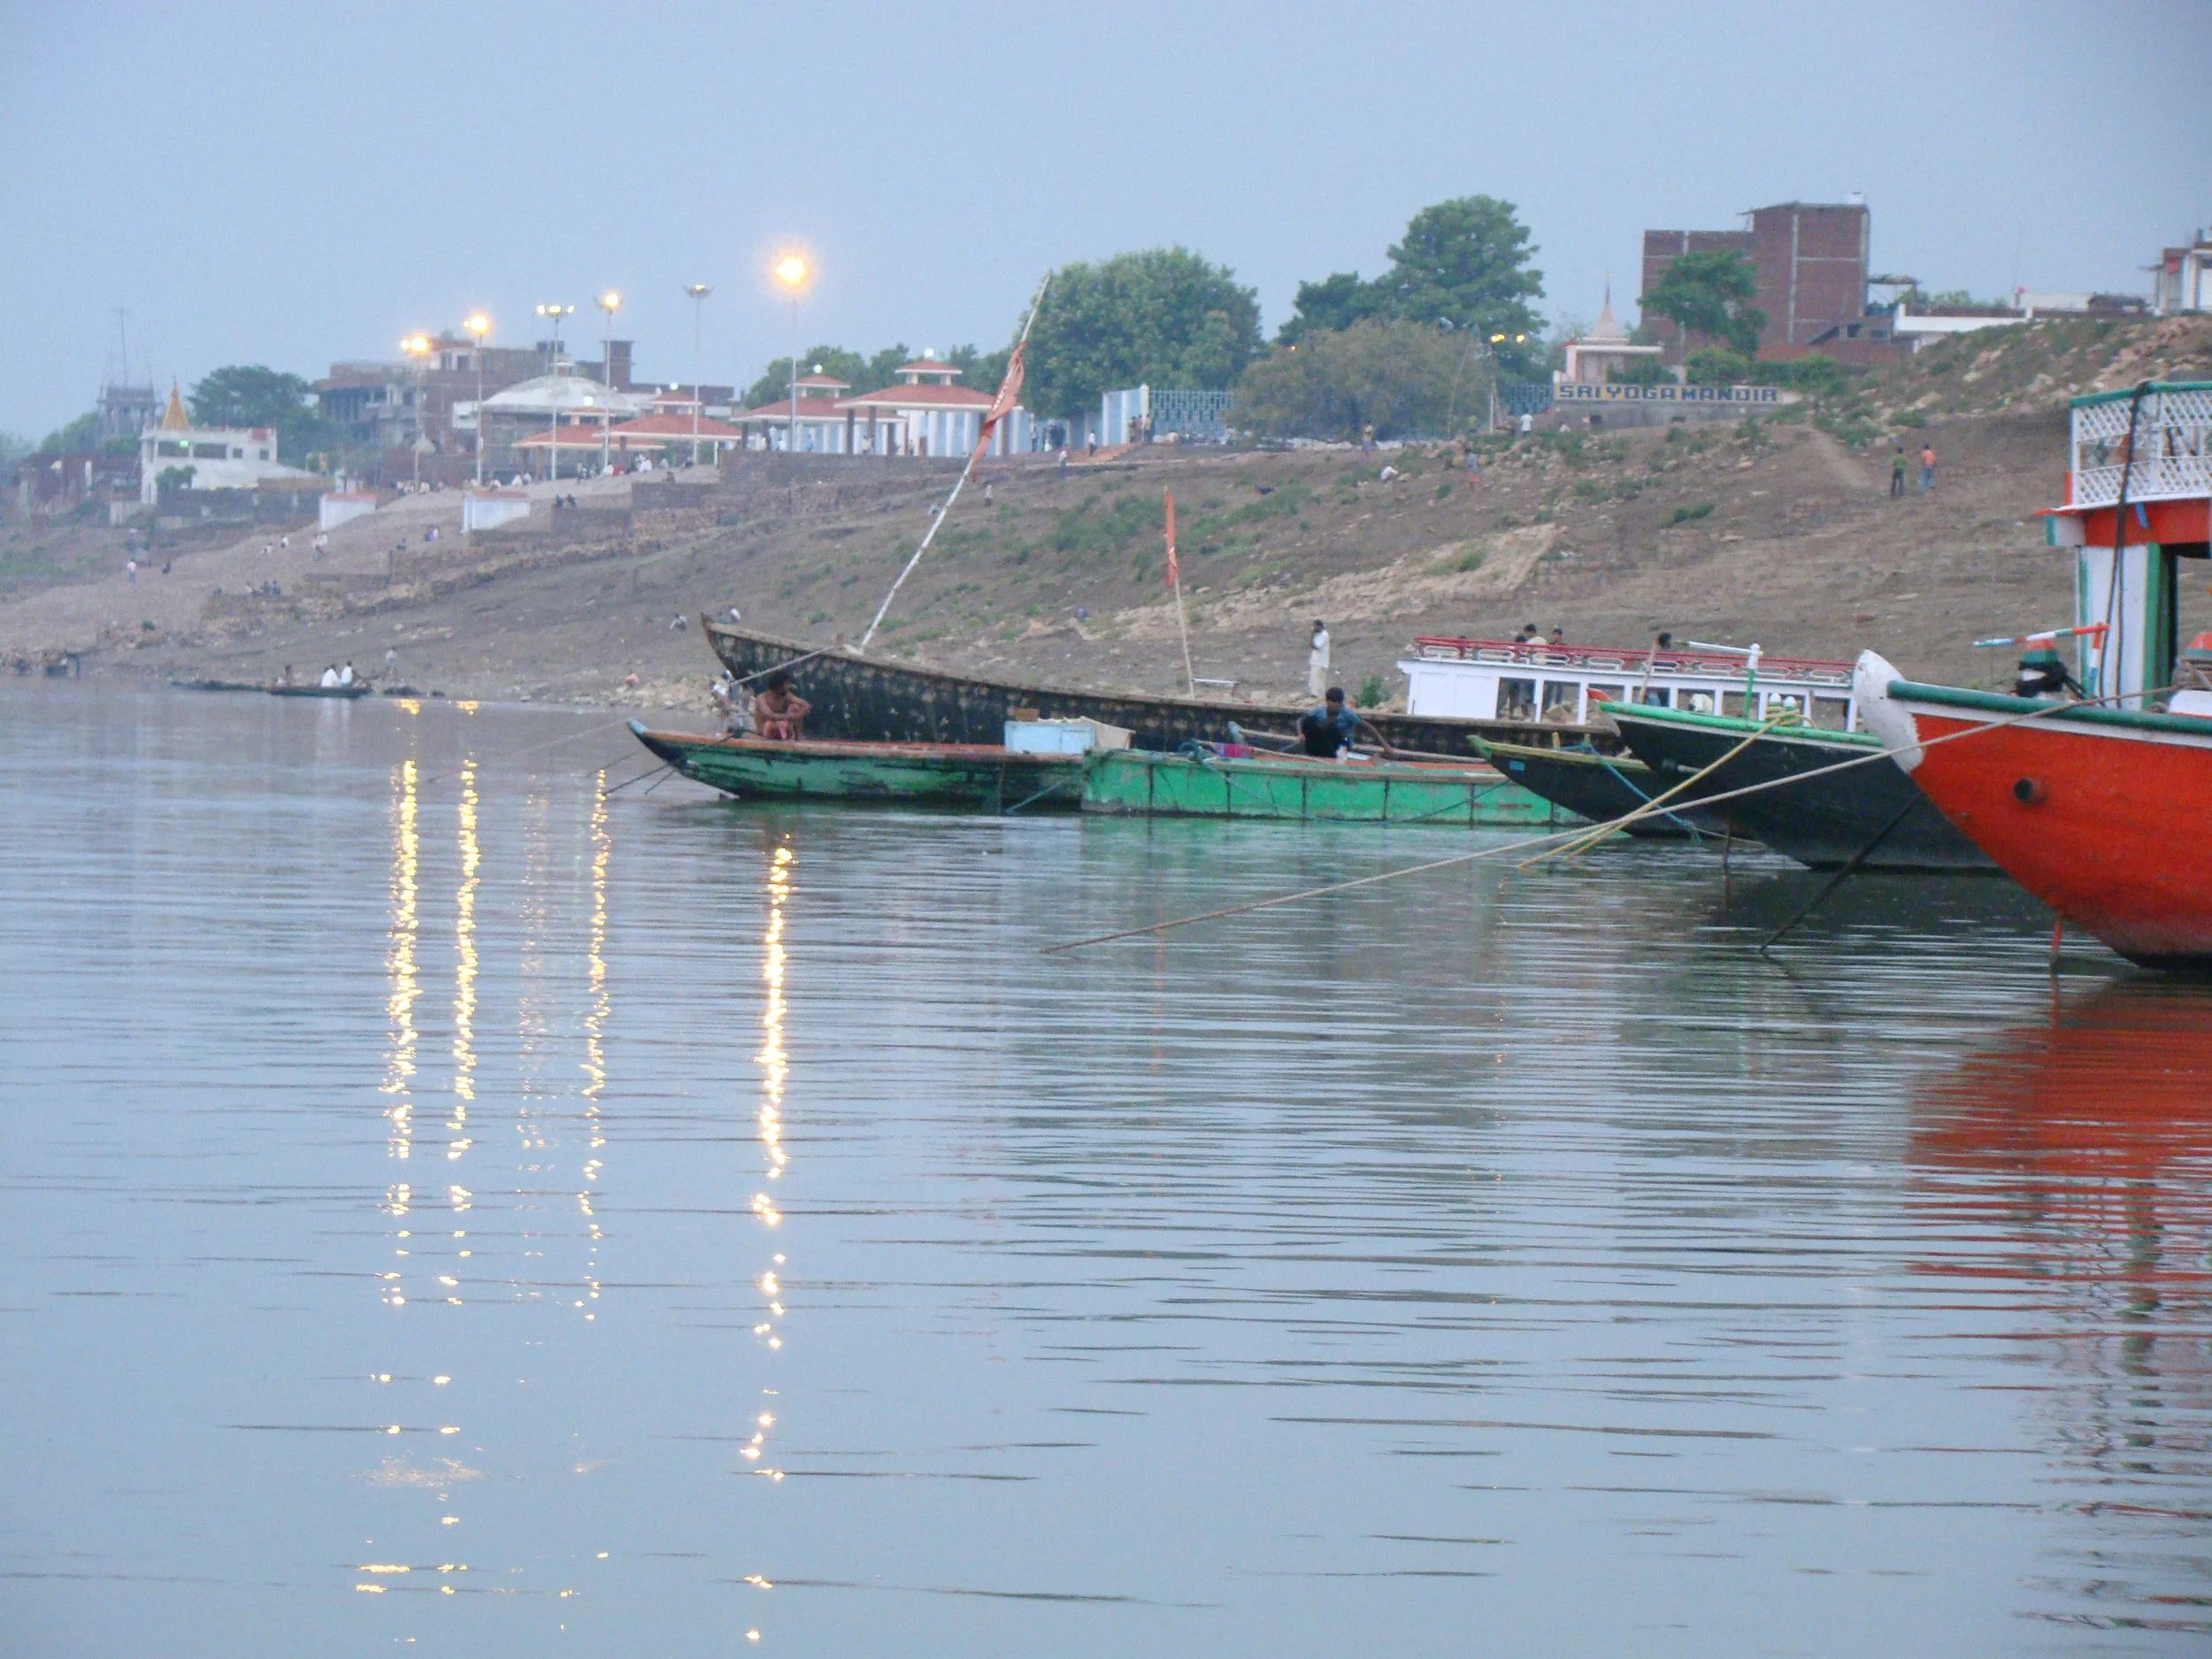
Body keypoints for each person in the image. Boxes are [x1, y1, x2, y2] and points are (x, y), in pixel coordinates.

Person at [1298, 687, 1381, 760]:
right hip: (1323, 744)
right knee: (1311, 723)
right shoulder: (1319, 712)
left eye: (1337, 705)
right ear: (1327, 702)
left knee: (1333, 731)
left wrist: (1386, 747)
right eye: (1332, 704)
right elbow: (1301, 721)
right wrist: (1301, 733)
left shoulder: (1348, 714)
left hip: (1342, 745)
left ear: (1341, 704)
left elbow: (1368, 728)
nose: (1335, 707)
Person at [753, 670, 810, 741]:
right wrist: (788, 717)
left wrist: (798, 716)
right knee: (770, 725)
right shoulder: (761, 698)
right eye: (787, 684)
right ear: (779, 686)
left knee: (796, 708)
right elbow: (769, 715)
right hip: (765, 731)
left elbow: (806, 705)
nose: (789, 687)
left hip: (782, 728)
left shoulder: (786, 696)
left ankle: (798, 737)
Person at [1307, 619, 1331, 698]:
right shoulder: (1317, 635)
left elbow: (1316, 646)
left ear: (1319, 626)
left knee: (1318, 680)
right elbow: (1310, 645)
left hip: (1320, 662)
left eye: (1315, 626)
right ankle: (1315, 695)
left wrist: (1312, 635)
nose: (1313, 628)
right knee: (1313, 680)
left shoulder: (1324, 635)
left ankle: (1318, 696)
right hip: (1315, 661)